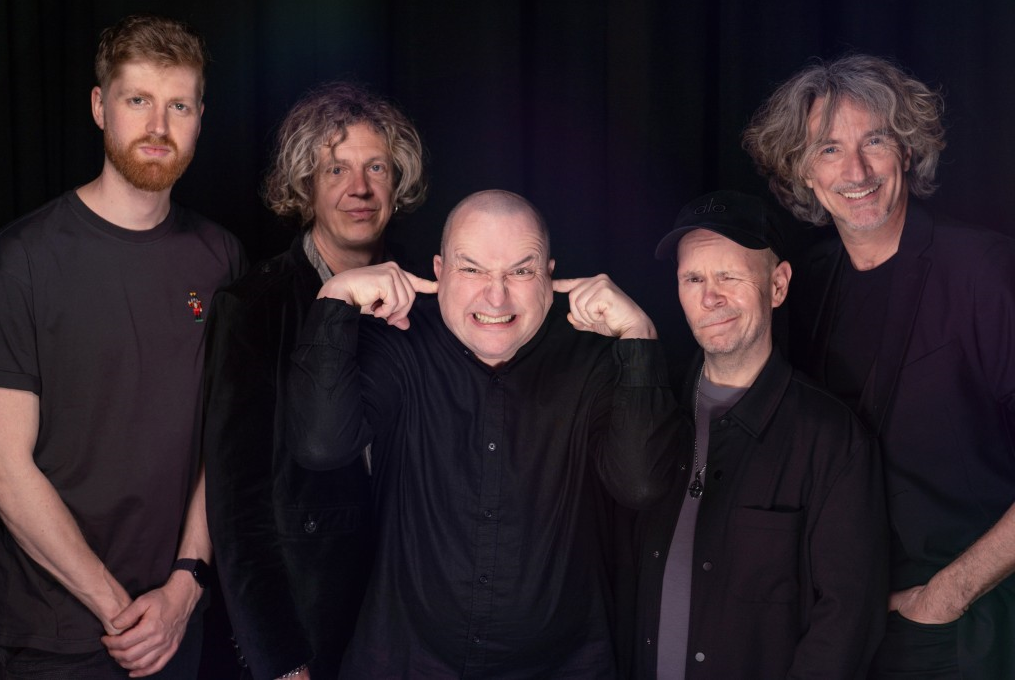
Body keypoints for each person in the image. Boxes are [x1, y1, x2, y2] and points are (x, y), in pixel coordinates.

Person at [283, 189, 690, 678]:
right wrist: (336, 298)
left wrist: (640, 338)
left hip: (561, 666)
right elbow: (320, 444)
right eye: (472, 269)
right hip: (404, 661)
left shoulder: (595, 355)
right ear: (439, 272)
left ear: (549, 277)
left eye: (520, 272)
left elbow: (641, 484)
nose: (496, 297)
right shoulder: (399, 340)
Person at [743, 53, 1015, 679]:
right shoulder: (804, 285)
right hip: (840, 633)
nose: (856, 171)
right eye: (829, 149)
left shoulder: (984, 273)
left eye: (875, 141)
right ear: (802, 171)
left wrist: (946, 596)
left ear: (908, 151)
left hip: (965, 630)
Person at [0, 13, 245, 680]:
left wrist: (184, 589)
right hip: (54, 636)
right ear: (100, 106)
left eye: (179, 106)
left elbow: (223, 443)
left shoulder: (220, 258)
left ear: (199, 118)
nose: (158, 126)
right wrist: (118, 610)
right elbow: (3, 468)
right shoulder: (23, 259)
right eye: (138, 100)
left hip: (176, 626)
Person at [203, 82, 427, 680]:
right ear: (305, 185)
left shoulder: (431, 295)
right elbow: (239, 509)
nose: (360, 188)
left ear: (397, 181)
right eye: (336, 169)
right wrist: (280, 660)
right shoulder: (253, 306)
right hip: (311, 622)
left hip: (415, 619)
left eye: (376, 167)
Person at [623, 189, 887, 679]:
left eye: (729, 276)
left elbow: (846, 623)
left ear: (777, 285)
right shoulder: (654, 412)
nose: (710, 297)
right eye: (694, 278)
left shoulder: (832, 439)